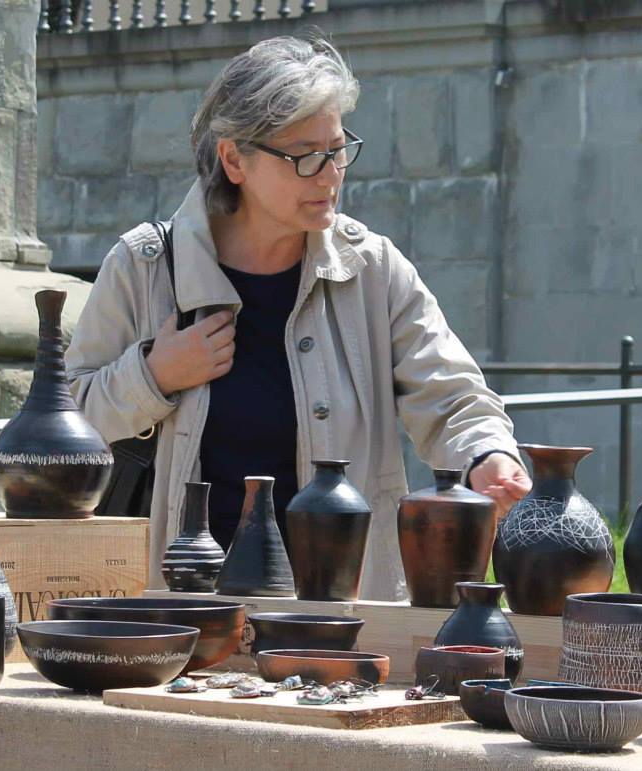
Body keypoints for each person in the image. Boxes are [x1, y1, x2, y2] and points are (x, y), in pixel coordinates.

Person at [64, 36, 531, 600]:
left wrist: (487, 455)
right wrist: (153, 377)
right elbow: (64, 431)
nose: (330, 175)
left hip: (338, 610)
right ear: (234, 159)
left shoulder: (374, 269)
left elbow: (452, 395)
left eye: (338, 149)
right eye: (305, 156)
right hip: (179, 612)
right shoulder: (142, 267)